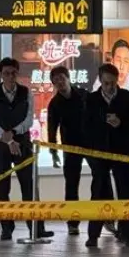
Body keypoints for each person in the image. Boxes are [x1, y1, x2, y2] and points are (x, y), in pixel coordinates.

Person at [0, 58, 52, 241]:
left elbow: (29, 120)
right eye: (6, 73)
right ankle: (6, 228)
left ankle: (36, 228)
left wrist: (14, 134)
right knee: (2, 188)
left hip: (22, 144)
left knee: (29, 186)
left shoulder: (26, 93)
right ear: (1, 75)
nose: (10, 76)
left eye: (13, 73)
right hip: (0, 146)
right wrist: (8, 140)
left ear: (17, 73)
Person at [82, 63, 129, 248]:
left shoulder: (126, 97)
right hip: (99, 153)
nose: (109, 87)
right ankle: (93, 235)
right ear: (100, 81)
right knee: (98, 192)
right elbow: (85, 128)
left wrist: (120, 123)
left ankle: (128, 234)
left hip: (122, 151)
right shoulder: (91, 99)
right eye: (106, 83)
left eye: (113, 83)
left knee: (125, 192)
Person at [47, 66, 88, 236]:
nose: (60, 82)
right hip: (70, 146)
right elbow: (51, 128)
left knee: (102, 180)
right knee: (71, 184)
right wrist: (54, 151)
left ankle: (105, 218)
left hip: (91, 143)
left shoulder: (84, 95)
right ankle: (73, 223)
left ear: (68, 78)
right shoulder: (55, 104)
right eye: (56, 80)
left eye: (62, 78)